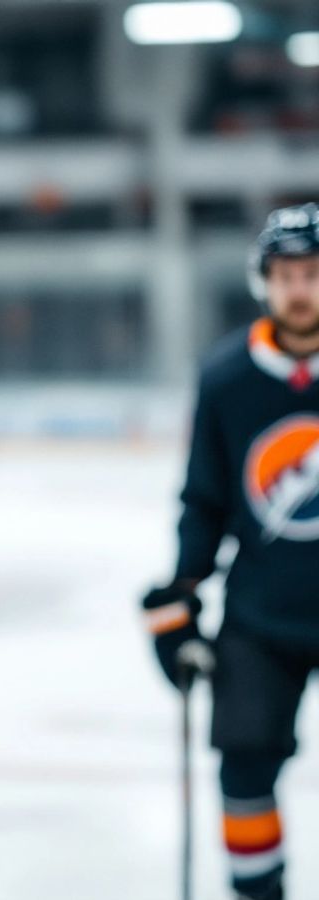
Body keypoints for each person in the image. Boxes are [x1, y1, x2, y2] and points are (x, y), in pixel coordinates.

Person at [141, 203, 319, 900]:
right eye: (286, 275)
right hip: (259, 616)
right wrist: (182, 590)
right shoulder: (226, 379)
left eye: (312, 273)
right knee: (243, 768)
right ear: (264, 283)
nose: (300, 288)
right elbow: (205, 498)